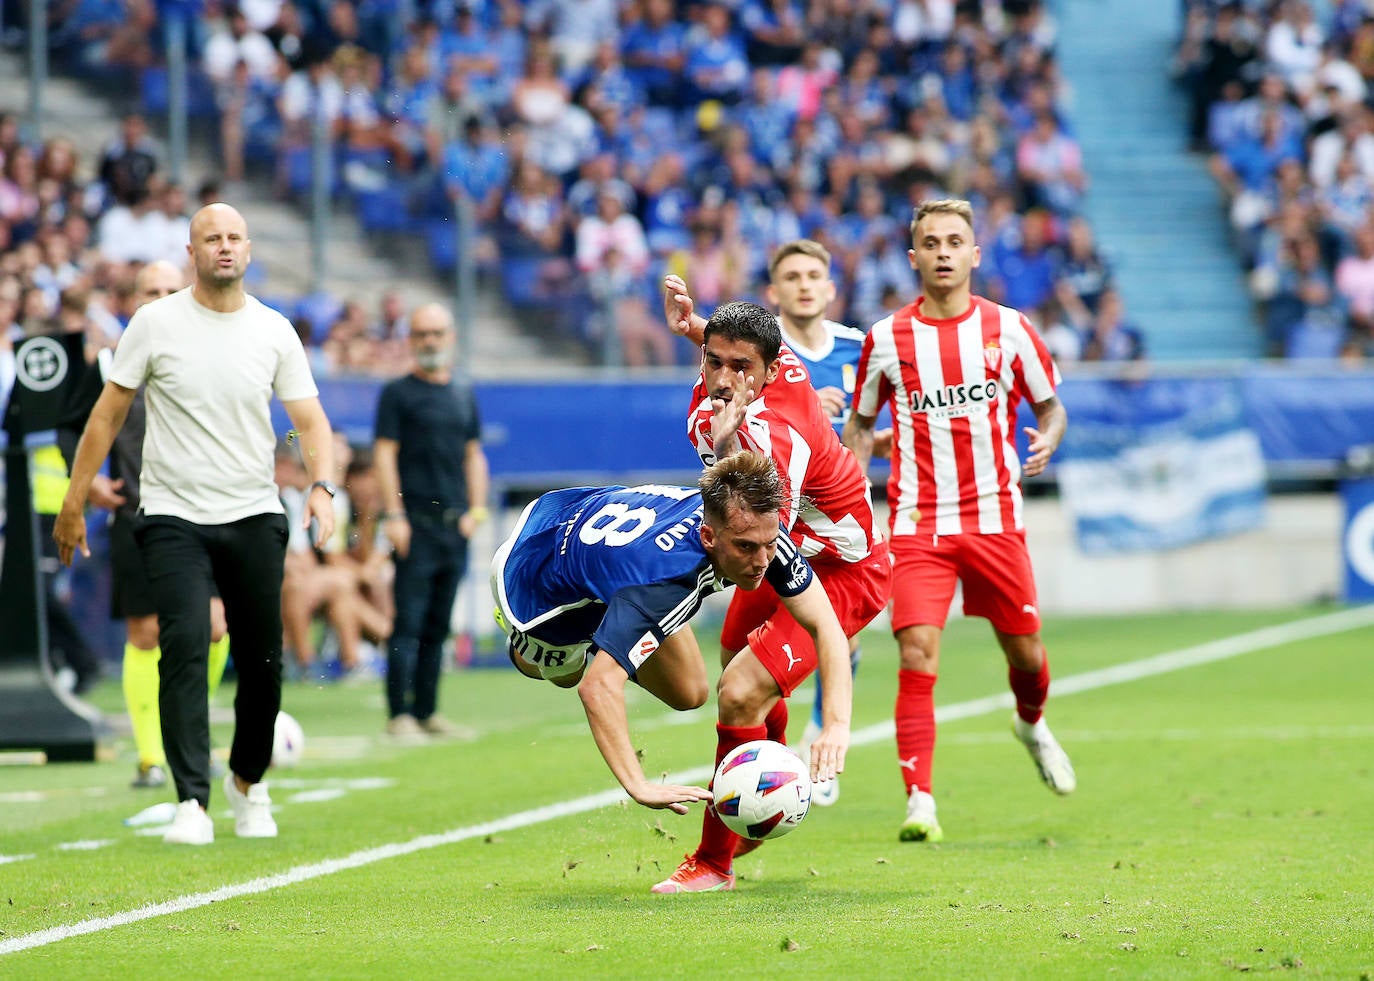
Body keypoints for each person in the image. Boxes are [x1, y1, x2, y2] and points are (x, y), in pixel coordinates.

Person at [54, 203, 337, 846]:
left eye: (235, 236)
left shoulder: (273, 330)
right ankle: (191, 802)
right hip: (172, 514)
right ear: (192, 250)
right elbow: (105, 416)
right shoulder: (154, 323)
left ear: (249, 246)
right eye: (212, 238)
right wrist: (74, 501)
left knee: (263, 662)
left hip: (254, 511)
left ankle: (247, 782)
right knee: (182, 645)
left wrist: (320, 489)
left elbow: (311, 420)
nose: (225, 247)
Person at [490, 451, 852, 892]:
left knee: (691, 692)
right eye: (745, 548)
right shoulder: (660, 586)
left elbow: (825, 624)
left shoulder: (754, 528)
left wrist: (835, 725)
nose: (761, 561)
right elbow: (597, 687)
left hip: (610, 540)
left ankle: (617, 631)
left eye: (768, 544)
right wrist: (638, 784)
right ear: (708, 537)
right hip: (539, 577)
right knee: (560, 672)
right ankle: (572, 640)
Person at [841, 198, 1077, 844]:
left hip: (997, 519)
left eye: (954, 241)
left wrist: (1048, 439)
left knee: (1026, 654)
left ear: (974, 254)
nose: (943, 252)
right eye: (930, 242)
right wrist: (851, 486)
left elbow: (1052, 407)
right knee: (915, 651)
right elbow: (861, 422)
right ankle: (920, 798)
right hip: (919, 523)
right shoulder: (886, 338)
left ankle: (1031, 723)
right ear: (913, 257)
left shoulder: (1011, 328)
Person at [652, 299, 890, 893]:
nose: (725, 379)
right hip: (794, 545)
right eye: (714, 362)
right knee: (735, 656)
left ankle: (713, 863)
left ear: (769, 369)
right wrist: (695, 330)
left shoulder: (780, 442)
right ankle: (772, 776)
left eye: (740, 368)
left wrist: (836, 724)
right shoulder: (740, 374)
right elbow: (735, 347)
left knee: (737, 693)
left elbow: (759, 541)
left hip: (843, 566)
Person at [82, 259, 232, 789]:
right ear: (131, 300)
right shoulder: (104, 361)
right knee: (146, 632)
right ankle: (150, 756)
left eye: (173, 288)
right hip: (139, 515)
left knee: (214, 625)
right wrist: (92, 485)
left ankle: (192, 733)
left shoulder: (209, 349)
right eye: (153, 290)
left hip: (207, 509)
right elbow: (68, 428)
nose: (164, 297)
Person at [373, 302, 489, 740]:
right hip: (414, 523)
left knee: (439, 623)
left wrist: (476, 511)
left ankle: (426, 711)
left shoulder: (462, 392)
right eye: (421, 334)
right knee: (409, 620)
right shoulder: (397, 393)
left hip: (454, 525)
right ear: (410, 340)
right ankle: (398, 714)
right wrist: (395, 514)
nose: (429, 341)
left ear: (451, 337)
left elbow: (473, 454)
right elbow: (385, 455)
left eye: (437, 333)